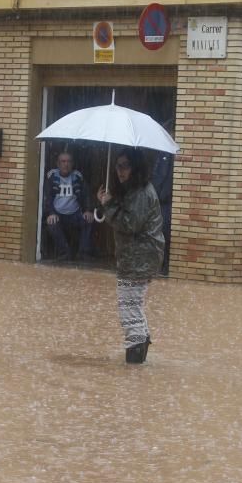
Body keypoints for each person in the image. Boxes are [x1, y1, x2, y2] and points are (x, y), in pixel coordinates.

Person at [97, 148, 165, 364]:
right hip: (138, 257)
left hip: (139, 258)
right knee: (133, 305)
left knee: (129, 307)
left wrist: (108, 204)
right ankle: (139, 356)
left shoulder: (142, 192)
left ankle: (134, 360)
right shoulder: (135, 190)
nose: (120, 171)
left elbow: (130, 224)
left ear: (135, 167)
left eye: (124, 166)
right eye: (117, 166)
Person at [43, 151, 94, 261]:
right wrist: (51, 213)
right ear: (58, 164)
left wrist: (87, 210)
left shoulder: (78, 177)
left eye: (69, 161)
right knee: (51, 224)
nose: (66, 164)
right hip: (58, 214)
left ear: (73, 164)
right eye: (63, 161)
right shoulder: (52, 177)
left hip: (75, 214)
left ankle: (83, 253)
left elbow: (86, 195)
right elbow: (47, 197)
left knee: (88, 220)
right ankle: (65, 253)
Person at [150, 151, 174, 276]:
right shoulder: (163, 154)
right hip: (162, 200)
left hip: (165, 201)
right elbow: (158, 176)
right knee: (161, 233)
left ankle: (164, 266)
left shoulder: (166, 155)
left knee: (164, 233)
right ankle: (161, 265)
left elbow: (161, 176)